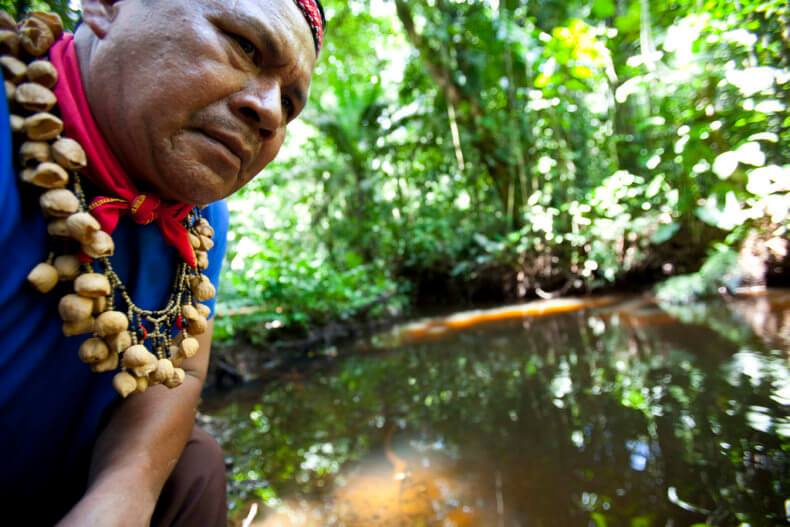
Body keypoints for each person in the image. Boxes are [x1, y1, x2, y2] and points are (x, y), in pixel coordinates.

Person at [0, 0, 325, 525]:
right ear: (106, 7)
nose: (269, 111)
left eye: (289, 102)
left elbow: (186, 368)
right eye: (244, 45)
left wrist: (126, 492)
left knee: (196, 467)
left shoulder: (202, 221)